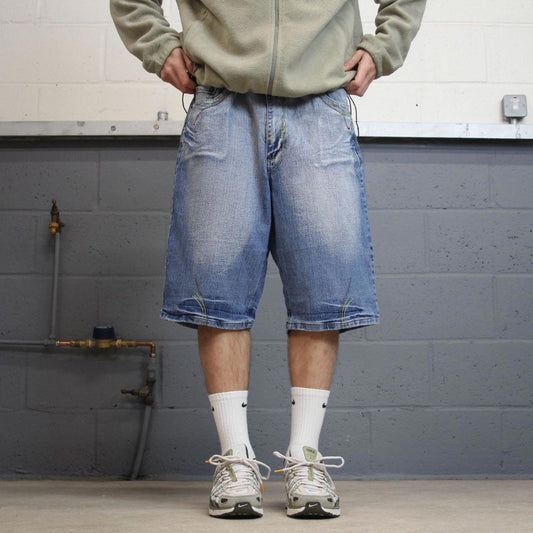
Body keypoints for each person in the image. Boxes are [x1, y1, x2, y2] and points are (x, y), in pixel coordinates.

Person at [110, 0, 426, 519]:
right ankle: (234, 459)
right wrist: (157, 45)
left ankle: (305, 457)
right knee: (218, 288)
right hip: (222, 101)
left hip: (320, 101)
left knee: (323, 287)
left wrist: (384, 46)